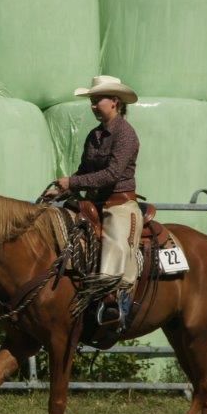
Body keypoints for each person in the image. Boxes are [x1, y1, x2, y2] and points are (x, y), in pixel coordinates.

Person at [46, 75, 141, 329]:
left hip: (119, 205)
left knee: (115, 245)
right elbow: (84, 171)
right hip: (93, 204)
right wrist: (60, 190)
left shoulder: (126, 135)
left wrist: (72, 183)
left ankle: (115, 304)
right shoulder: (94, 135)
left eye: (98, 99)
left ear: (115, 102)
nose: (93, 105)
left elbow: (112, 174)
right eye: (92, 100)